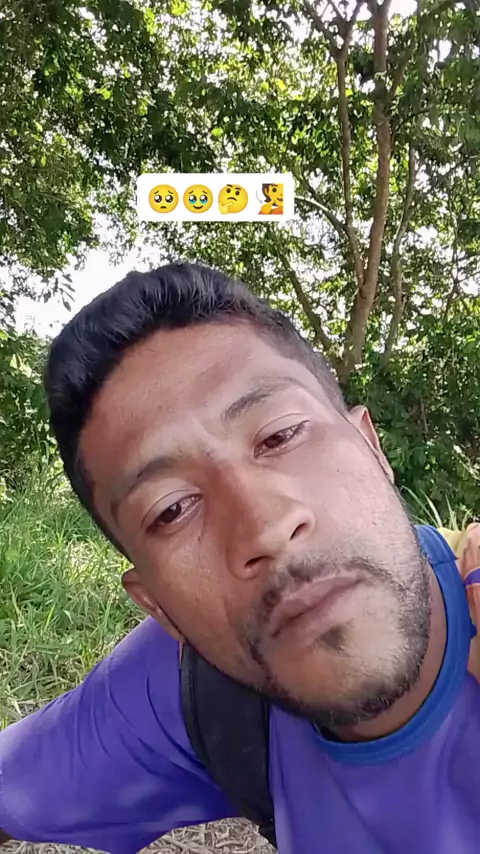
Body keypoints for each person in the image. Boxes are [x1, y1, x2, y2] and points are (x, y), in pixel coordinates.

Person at [0, 262, 479, 854]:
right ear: (161, 608)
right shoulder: (183, 689)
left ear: (371, 448)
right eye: (172, 509)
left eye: (279, 436)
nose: (264, 529)